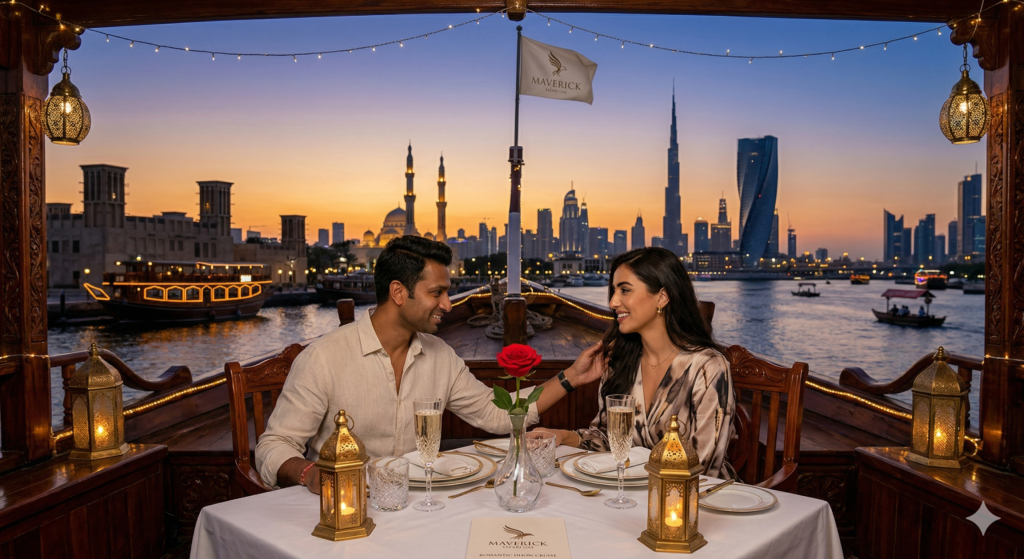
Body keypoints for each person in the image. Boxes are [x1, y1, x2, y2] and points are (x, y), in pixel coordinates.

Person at [255, 236, 605, 492]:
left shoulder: (440, 355)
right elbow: (274, 446)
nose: (449, 304)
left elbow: (499, 414)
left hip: (418, 503)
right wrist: (311, 474)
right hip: (343, 510)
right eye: (437, 293)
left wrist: (571, 376)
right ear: (398, 293)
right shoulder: (323, 358)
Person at [534, 247, 736, 479]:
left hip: (694, 501)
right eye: (613, 291)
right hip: (632, 492)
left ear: (662, 296)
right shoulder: (619, 361)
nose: (612, 302)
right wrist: (562, 436)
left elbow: (704, 464)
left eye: (625, 290)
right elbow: (610, 440)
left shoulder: (708, 367)